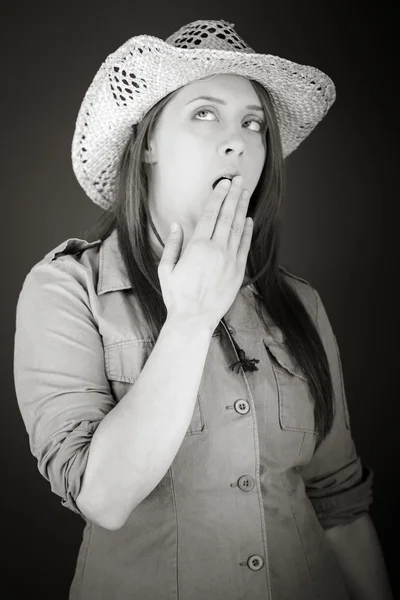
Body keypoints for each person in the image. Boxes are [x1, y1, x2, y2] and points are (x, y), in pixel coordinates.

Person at [13, 18, 394, 600]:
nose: (237, 140)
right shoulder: (66, 290)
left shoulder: (300, 305)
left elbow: (338, 506)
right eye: (204, 113)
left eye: (253, 123)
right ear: (146, 146)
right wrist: (190, 320)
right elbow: (103, 497)